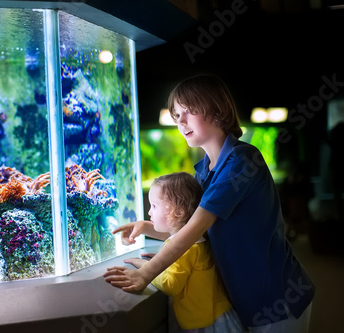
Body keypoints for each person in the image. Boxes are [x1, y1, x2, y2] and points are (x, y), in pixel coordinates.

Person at [104, 74, 315, 332]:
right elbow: (190, 227)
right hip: (242, 299)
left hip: (278, 296)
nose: (180, 121)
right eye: (176, 114)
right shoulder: (203, 170)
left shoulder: (242, 161)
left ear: (216, 110)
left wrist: (146, 274)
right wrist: (145, 228)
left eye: (188, 111)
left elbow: (195, 228)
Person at [125, 172, 244, 332]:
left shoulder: (185, 248)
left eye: (154, 206)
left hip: (208, 325)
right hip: (217, 316)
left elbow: (171, 285)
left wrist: (145, 266)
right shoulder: (197, 239)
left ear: (178, 212)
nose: (149, 212)